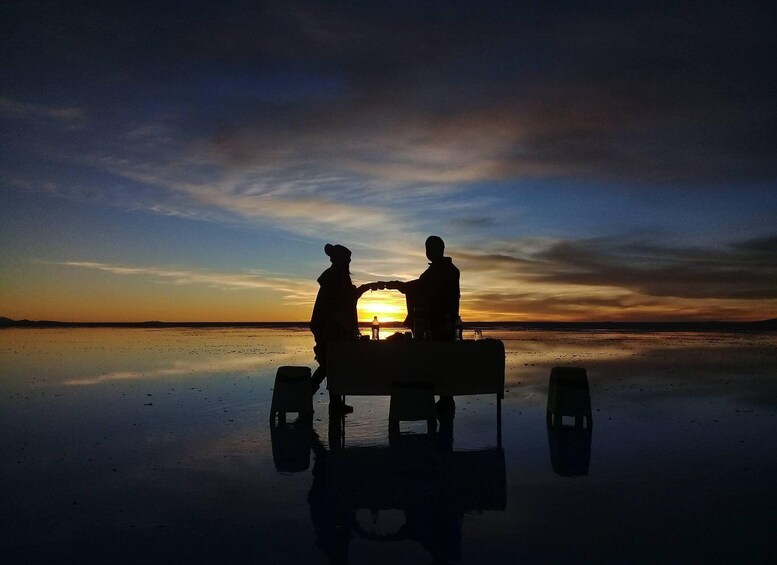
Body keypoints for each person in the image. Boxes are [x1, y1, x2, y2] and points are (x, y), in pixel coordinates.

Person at [386, 235, 460, 413]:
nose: (428, 252)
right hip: (441, 322)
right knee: (439, 361)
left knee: (438, 361)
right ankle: (444, 398)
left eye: (430, 248)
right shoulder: (444, 270)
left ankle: (445, 399)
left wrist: (400, 285)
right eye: (427, 248)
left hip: (440, 324)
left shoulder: (443, 271)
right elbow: (421, 287)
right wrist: (401, 286)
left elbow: (421, 287)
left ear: (438, 249)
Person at [310, 243, 377, 414]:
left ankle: (334, 402)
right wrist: (347, 326)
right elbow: (330, 308)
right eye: (347, 260)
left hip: (336, 329)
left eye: (349, 260)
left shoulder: (340, 276)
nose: (348, 263)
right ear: (338, 259)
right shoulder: (332, 277)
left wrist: (364, 288)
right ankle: (306, 395)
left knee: (333, 365)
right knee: (329, 364)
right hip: (329, 329)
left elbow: (348, 299)